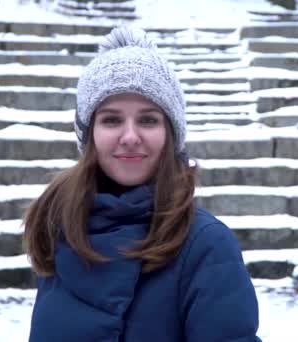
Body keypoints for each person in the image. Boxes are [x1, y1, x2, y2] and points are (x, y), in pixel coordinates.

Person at [22, 27, 261, 342]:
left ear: (170, 134)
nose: (130, 136)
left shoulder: (206, 246)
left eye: (148, 120)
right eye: (111, 119)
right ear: (89, 134)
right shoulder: (59, 229)